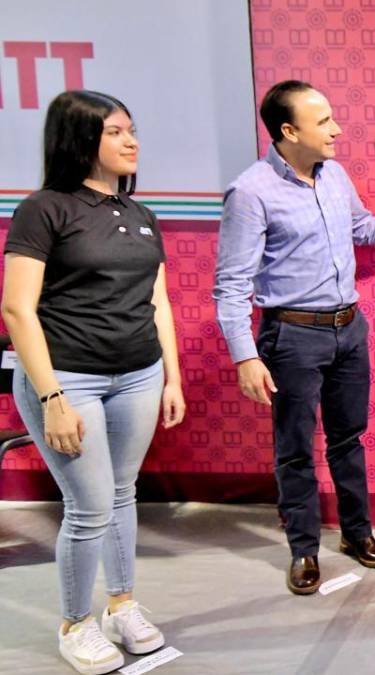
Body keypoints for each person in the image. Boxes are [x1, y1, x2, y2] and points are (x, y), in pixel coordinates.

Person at [213, 80, 375, 595]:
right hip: (291, 336)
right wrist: (245, 357)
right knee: (295, 448)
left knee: (348, 439)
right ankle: (303, 549)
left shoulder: (335, 175)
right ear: (288, 131)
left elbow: (361, 229)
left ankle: (356, 533)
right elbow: (230, 286)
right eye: (323, 122)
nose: (337, 129)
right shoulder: (250, 192)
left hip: (349, 329)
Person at [2, 90, 186, 675]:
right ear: (80, 139)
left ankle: (121, 606)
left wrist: (172, 378)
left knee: (122, 493)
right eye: (115, 132)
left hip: (139, 375)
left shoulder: (141, 215)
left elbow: (157, 301)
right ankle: (75, 624)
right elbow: (17, 310)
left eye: (132, 129)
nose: (132, 141)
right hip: (68, 378)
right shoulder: (44, 209)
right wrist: (52, 397)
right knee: (89, 506)